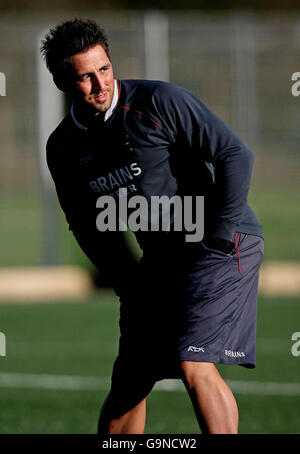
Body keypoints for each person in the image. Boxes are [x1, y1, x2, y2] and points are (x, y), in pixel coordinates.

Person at [41, 18, 264, 434]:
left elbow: (235, 154)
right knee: (131, 377)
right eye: (84, 77)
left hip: (221, 244)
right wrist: (126, 278)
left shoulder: (159, 101)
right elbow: (87, 225)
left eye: (104, 69)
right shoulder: (63, 147)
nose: (100, 83)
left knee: (191, 358)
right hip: (161, 260)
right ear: (60, 81)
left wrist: (219, 230)